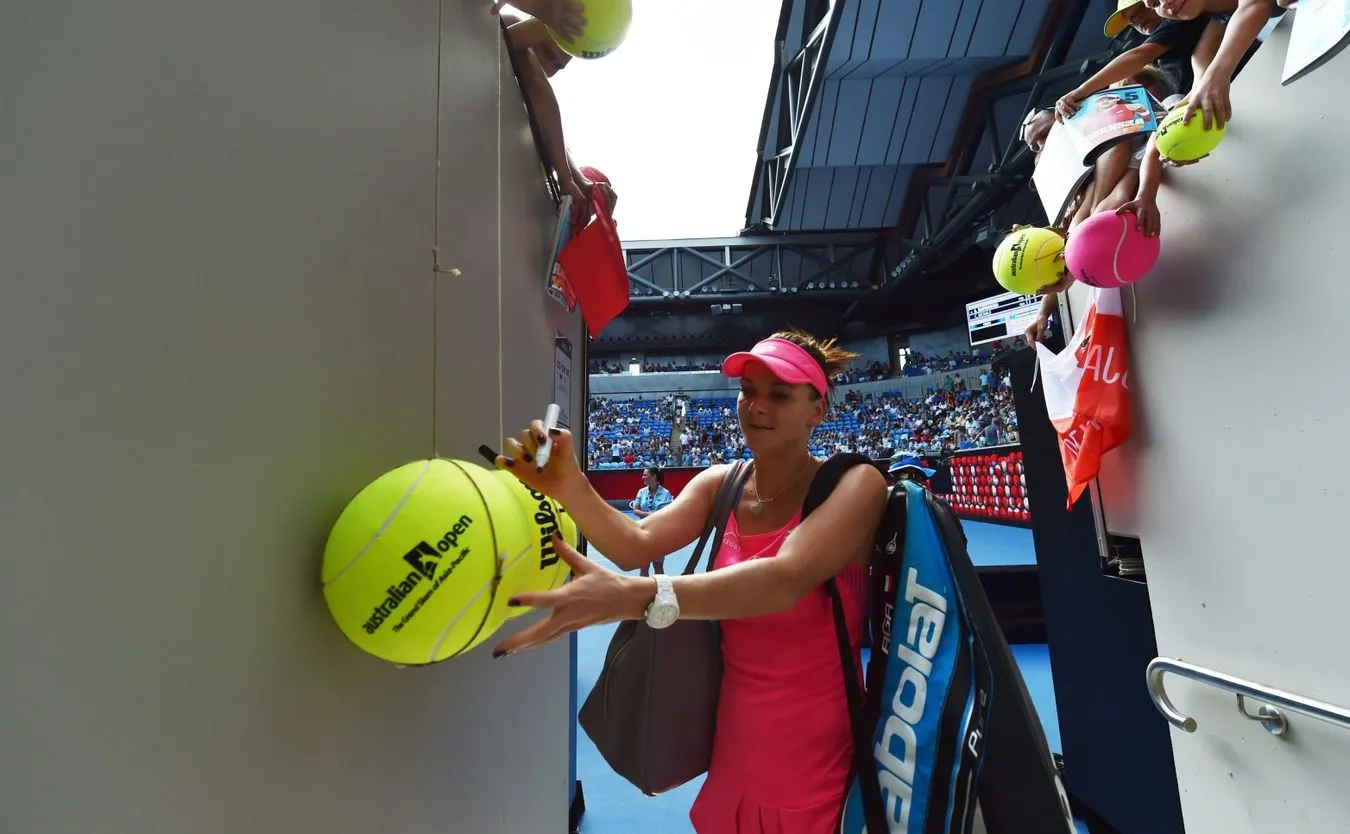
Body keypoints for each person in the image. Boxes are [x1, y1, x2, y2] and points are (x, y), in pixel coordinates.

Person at [484, 331, 889, 834]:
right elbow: (636, 541)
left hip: (817, 755)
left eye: (778, 395)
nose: (755, 406)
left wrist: (638, 597)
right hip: (734, 743)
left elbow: (783, 579)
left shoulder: (858, 484)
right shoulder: (724, 483)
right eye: (747, 390)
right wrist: (568, 484)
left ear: (817, 410)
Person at [1055, 0, 1213, 125]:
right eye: (1131, 20)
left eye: (1139, 10)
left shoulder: (1177, 23)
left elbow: (1138, 55)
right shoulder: (1163, 45)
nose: (1137, 19)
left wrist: (1081, 91)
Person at [1142, 0, 1288, 130]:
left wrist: (1216, 75)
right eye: (1155, 4)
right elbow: (1203, 55)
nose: (1164, 3)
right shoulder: (1220, 15)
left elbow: (1255, 4)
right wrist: (1192, 102)